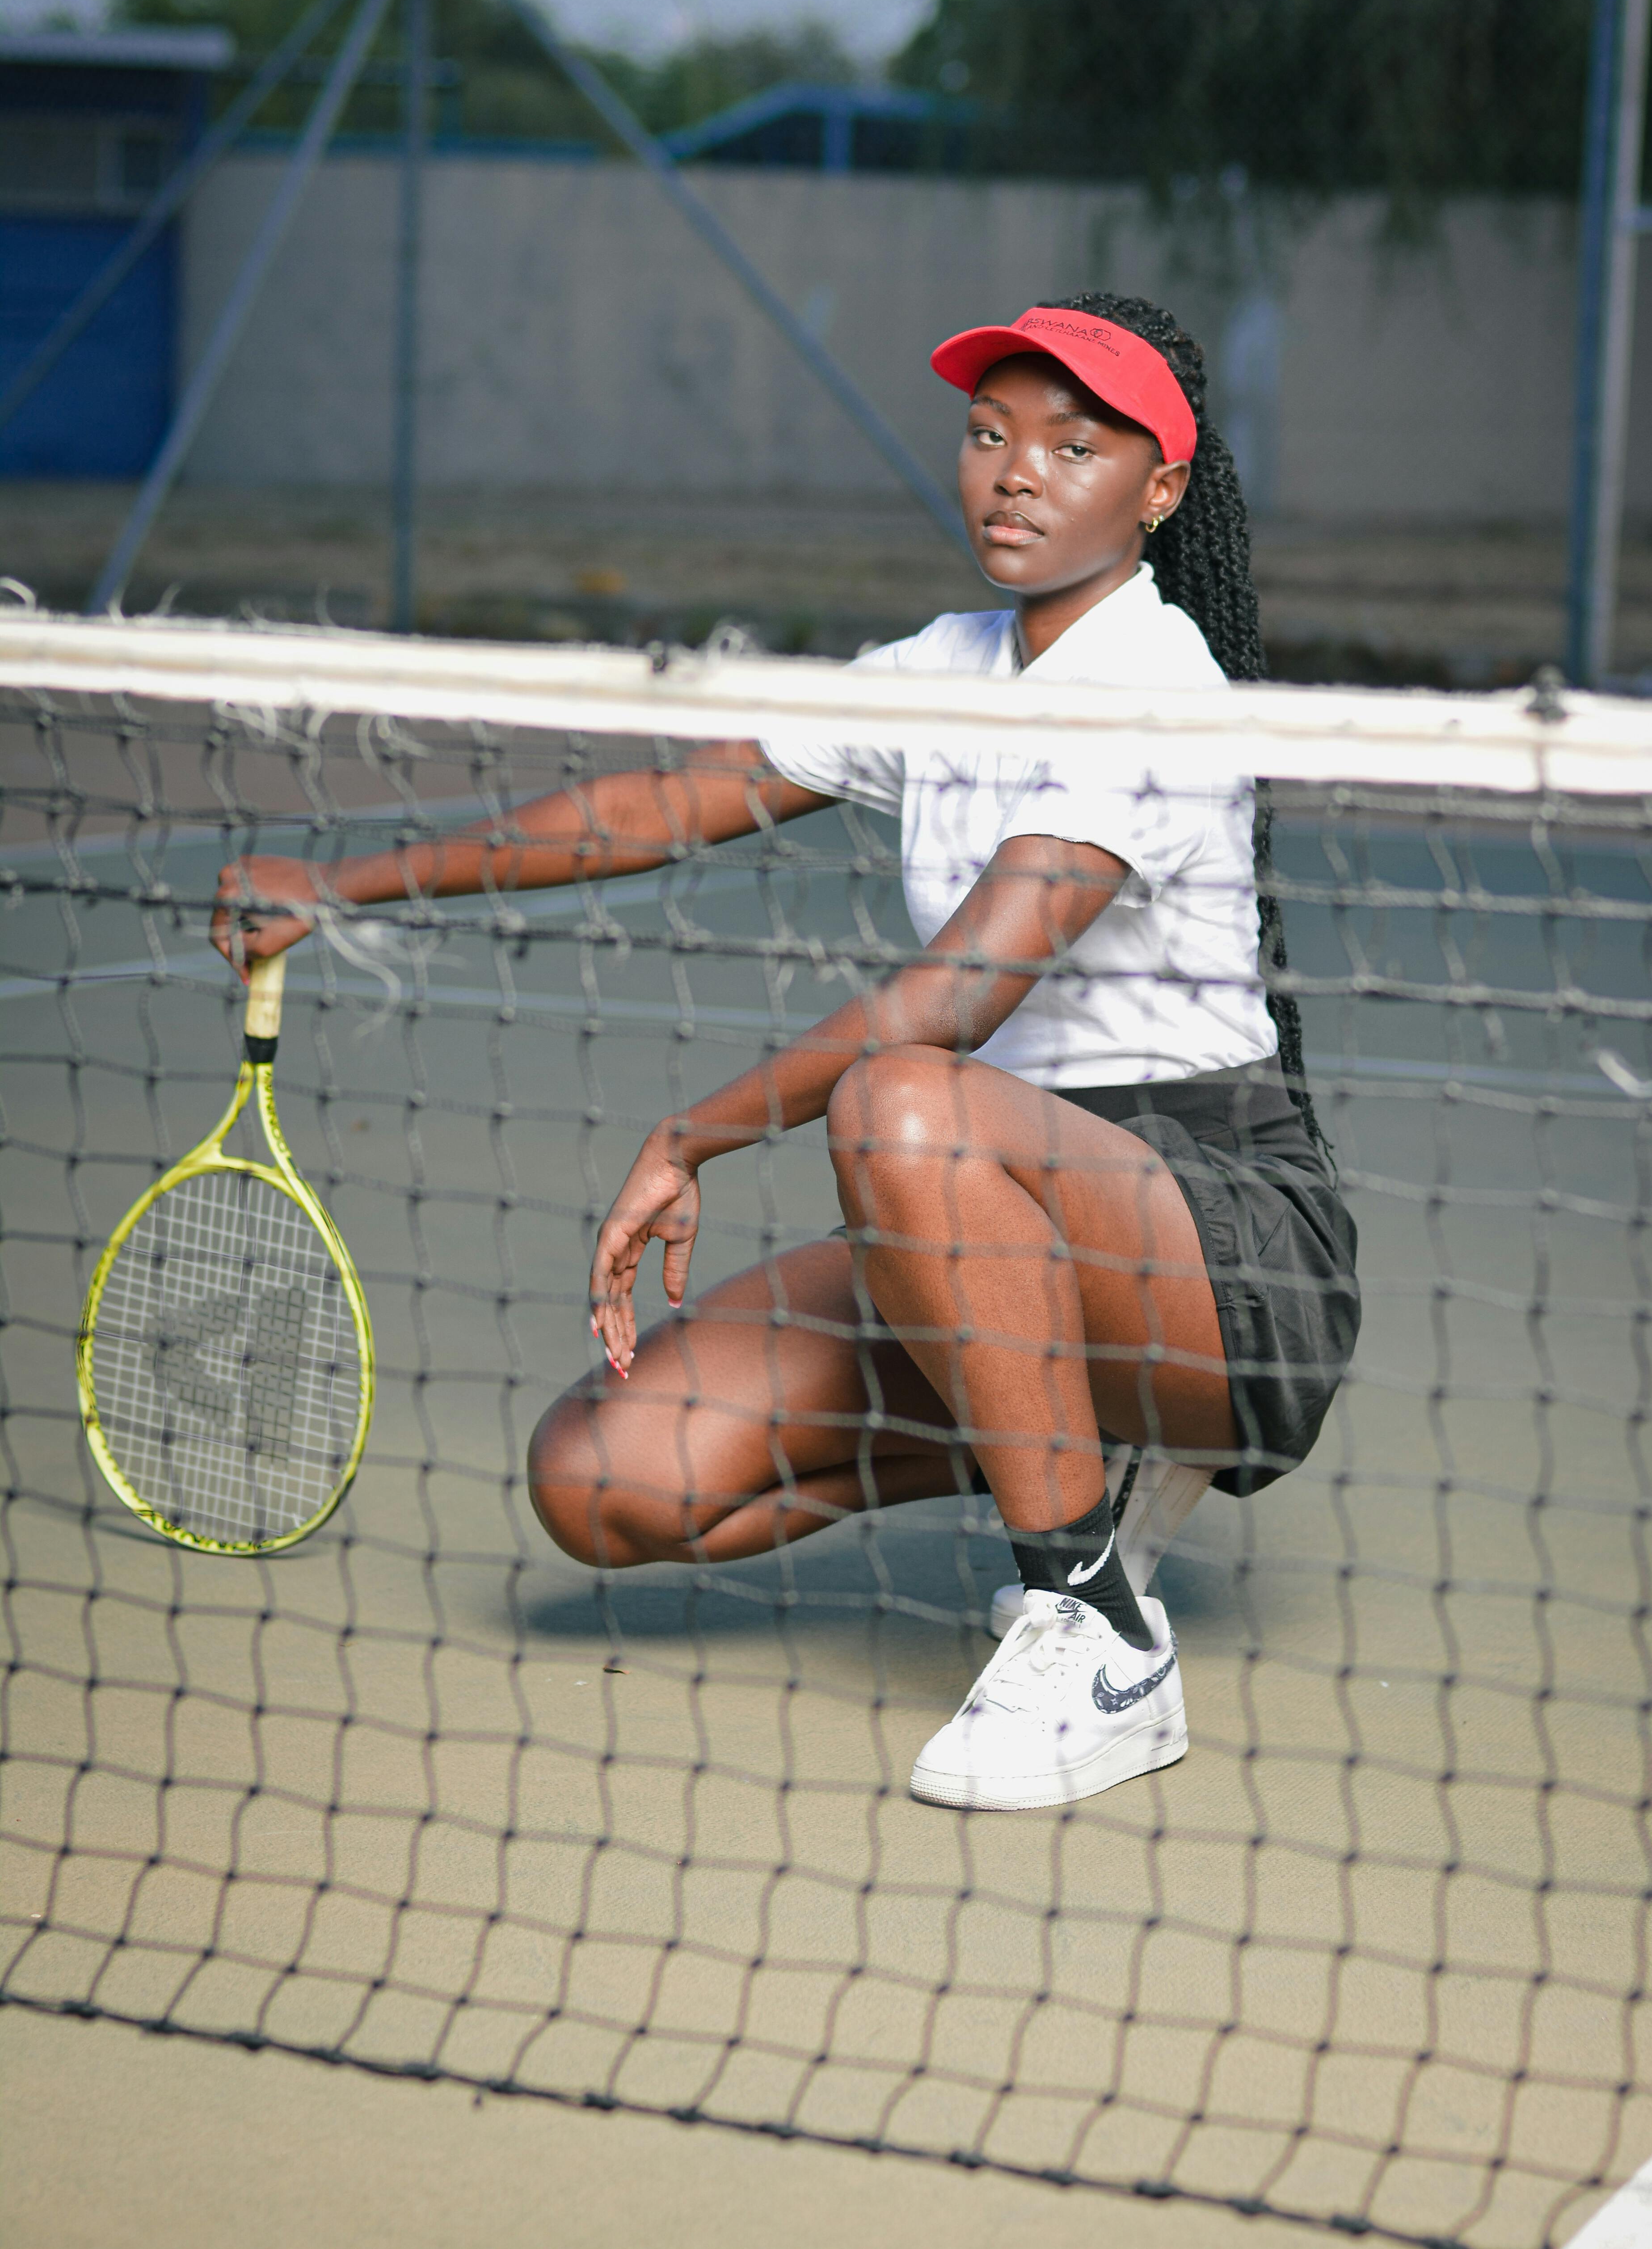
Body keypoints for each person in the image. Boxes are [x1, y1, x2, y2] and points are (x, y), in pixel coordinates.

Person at [212, 292, 1361, 1814]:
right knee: (605, 1478)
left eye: (1073, 448)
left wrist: (691, 1136)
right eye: (989, 434)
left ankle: (1095, 1629)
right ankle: (1067, 1444)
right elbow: (663, 805)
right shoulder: (940, 670)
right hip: (985, 1209)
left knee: (898, 1099)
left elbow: (956, 1002)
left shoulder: (1155, 686)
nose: (1016, 473)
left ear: (1156, 492)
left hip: (1221, 1250)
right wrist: (344, 887)